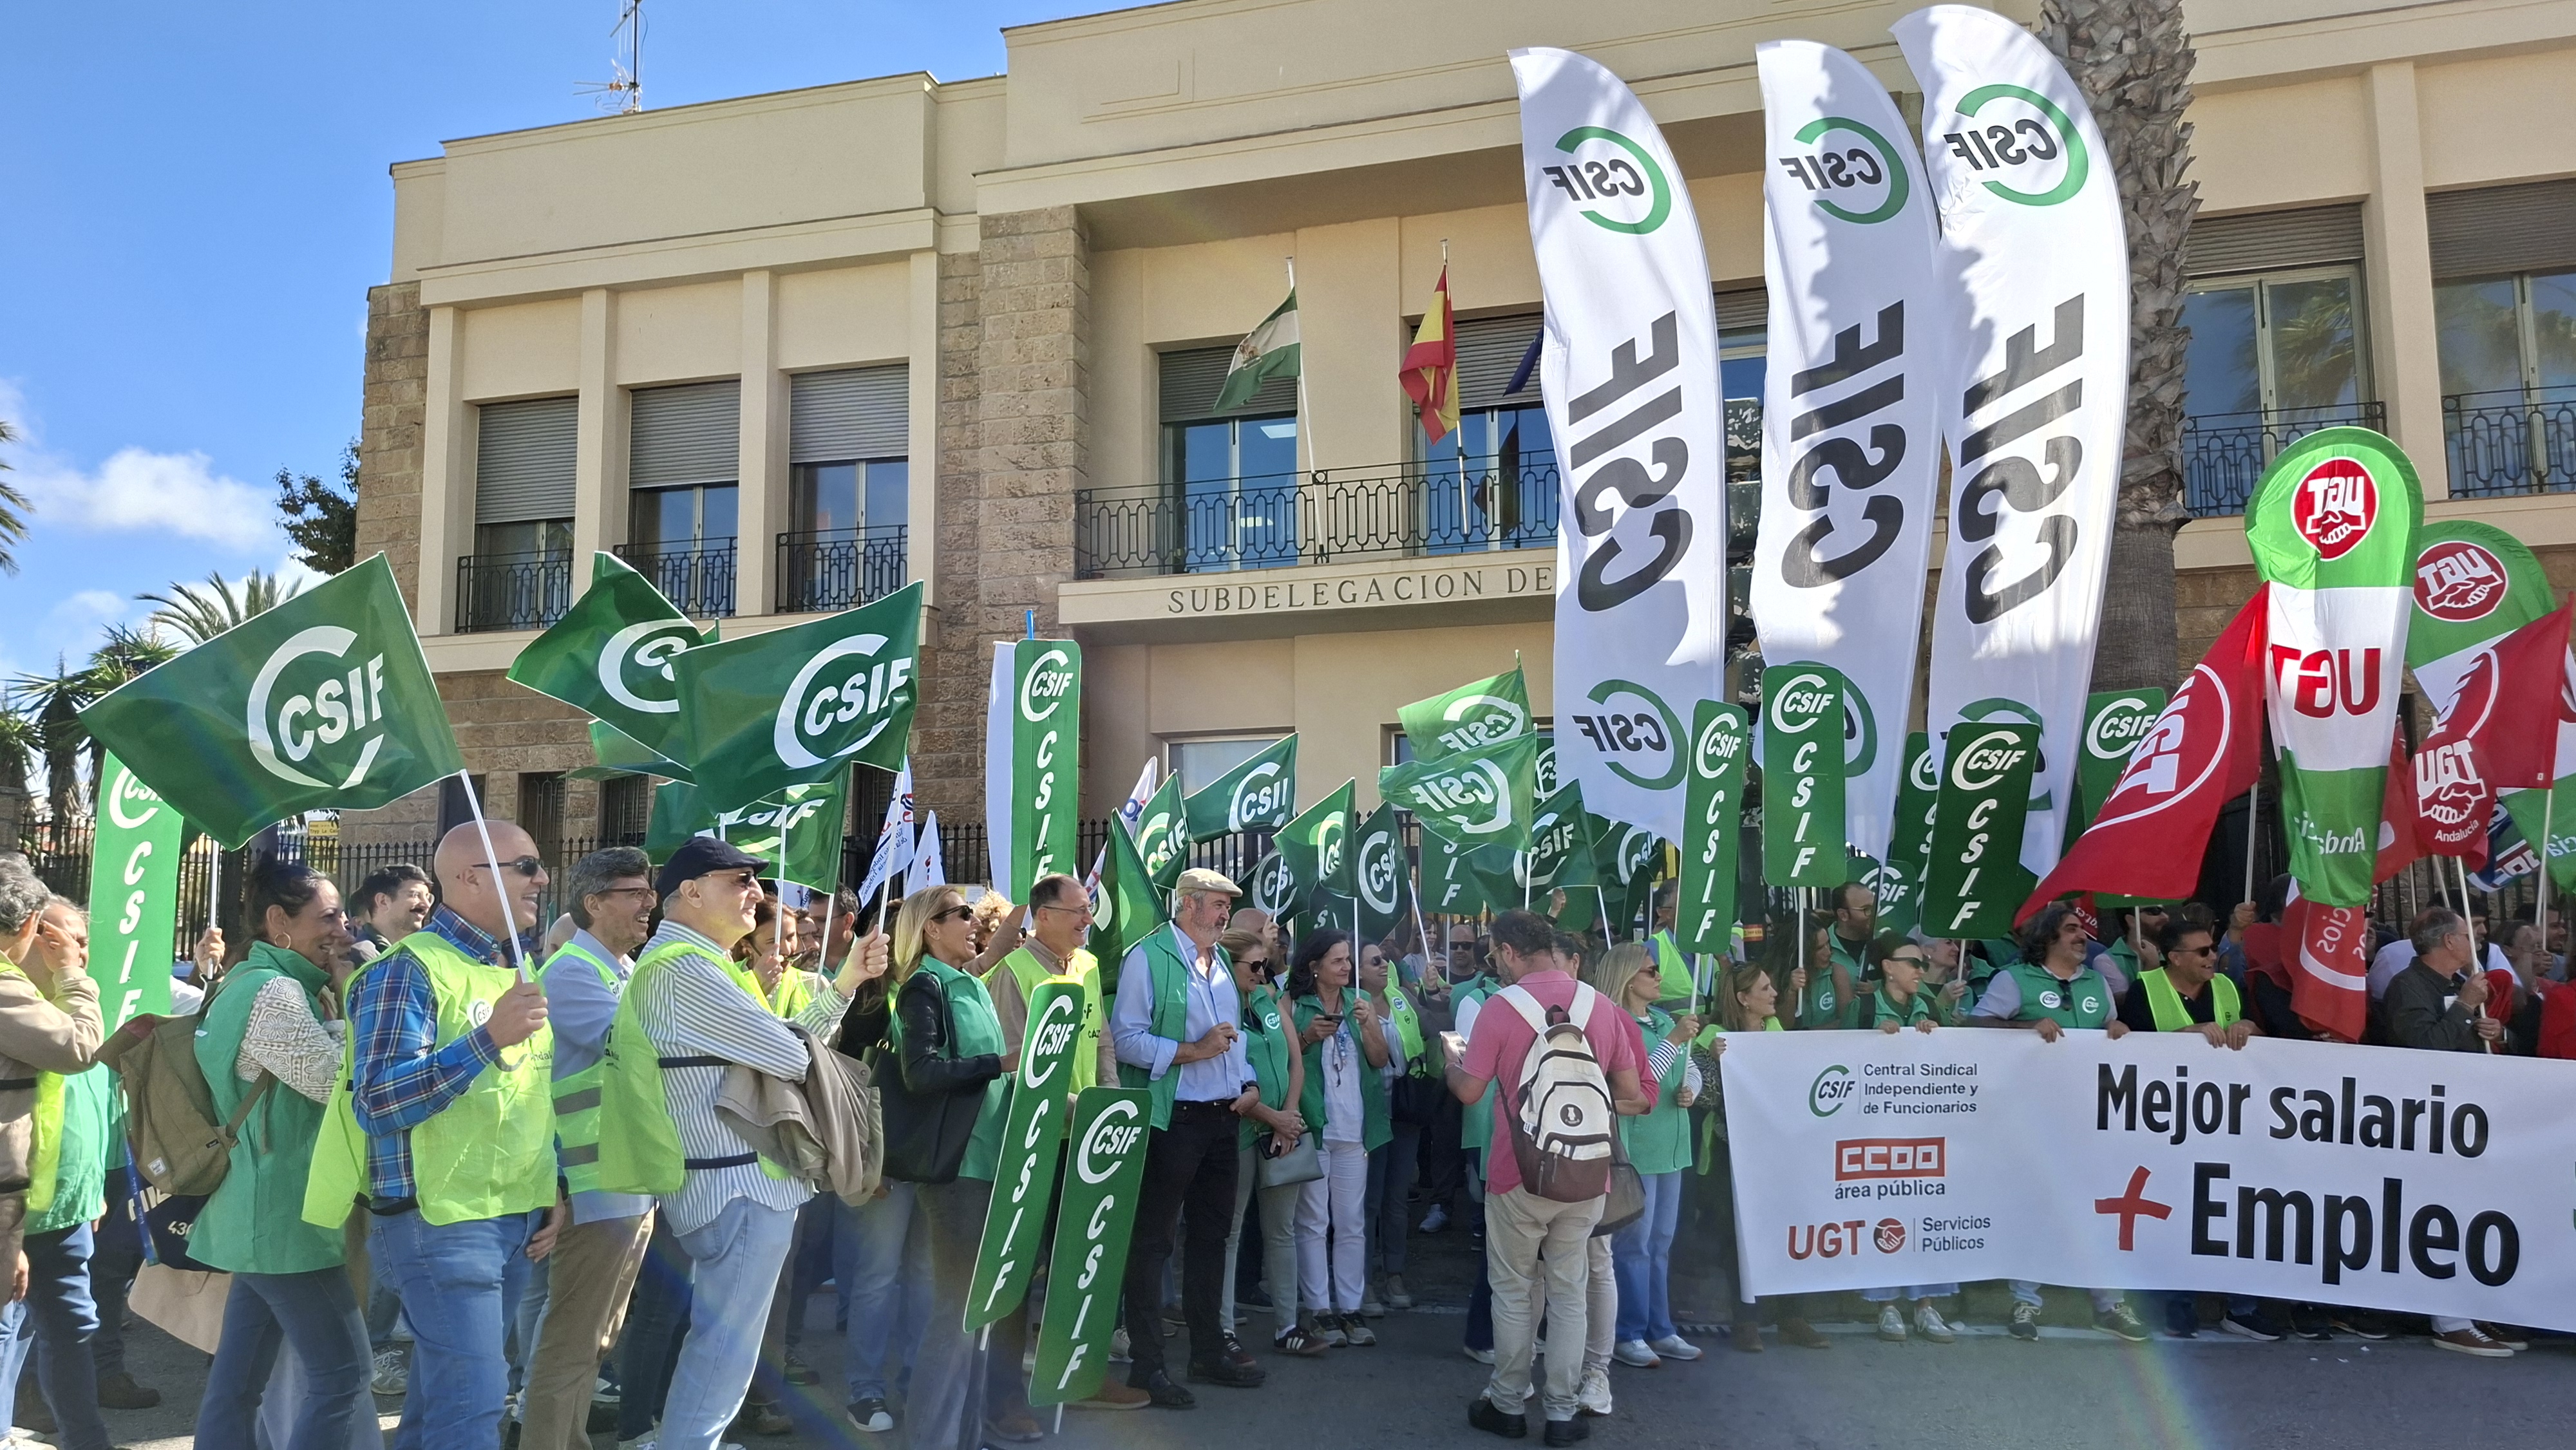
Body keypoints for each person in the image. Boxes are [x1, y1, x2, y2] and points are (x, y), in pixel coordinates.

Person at [303, 822, 559, 1450]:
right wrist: (487, 1038)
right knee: (473, 1409)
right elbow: (377, 1100)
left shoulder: (515, 967)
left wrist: (554, 1185)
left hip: (513, 1215)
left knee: (443, 1404)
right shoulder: (405, 970)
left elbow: (527, 1091)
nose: (543, 878)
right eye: (525, 865)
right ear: (469, 877)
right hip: (440, 1221)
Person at [628, 838, 878, 1450]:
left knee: (723, 1343)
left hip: (733, 1179)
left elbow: (788, 1047)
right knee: (725, 1347)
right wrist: (819, 1016)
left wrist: (845, 983)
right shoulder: (684, 968)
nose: (758, 893)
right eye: (740, 880)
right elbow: (793, 1056)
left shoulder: (695, 962)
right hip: (737, 1182)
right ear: (691, 893)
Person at [1444, 909, 1643, 1447]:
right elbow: (1631, 1092)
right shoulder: (1599, 1005)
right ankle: (1561, 1411)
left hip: (1518, 1170)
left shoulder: (1500, 1007)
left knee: (1513, 1291)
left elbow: (1471, 1092)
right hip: (1588, 1169)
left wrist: (1451, 1063)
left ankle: (1508, 1403)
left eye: (1495, 955)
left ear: (1509, 951)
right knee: (1570, 1291)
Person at [189, 865, 370, 1450]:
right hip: (284, 1216)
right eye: (328, 917)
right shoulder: (275, 991)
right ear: (277, 921)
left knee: (239, 1382)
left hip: (257, 1208)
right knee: (345, 1375)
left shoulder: (246, 980)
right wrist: (352, 1000)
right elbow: (337, 1083)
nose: (342, 929)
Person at [1110, 868, 1268, 1406]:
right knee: (1153, 1242)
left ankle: (1207, 1351)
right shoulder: (1147, 957)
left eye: (1227, 907)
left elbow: (1233, 1039)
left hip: (1222, 1118)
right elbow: (1126, 1039)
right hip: (1172, 1119)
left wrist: (1247, 1081)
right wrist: (1194, 1051)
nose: (1225, 915)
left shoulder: (1220, 961)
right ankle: (1147, 1366)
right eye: (1218, 905)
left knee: (1212, 1237)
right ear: (1188, 904)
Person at [520, 847, 658, 1450]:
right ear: (594, 903)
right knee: (572, 1342)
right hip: (590, 1186)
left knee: (596, 1340)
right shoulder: (573, 972)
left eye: (649, 892)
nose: (648, 904)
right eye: (634, 893)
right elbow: (644, 1054)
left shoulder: (619, 968)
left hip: (623, 1181)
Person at [1967, 903, 2148, 1343]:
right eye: (2071, 929)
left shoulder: (2096, 983)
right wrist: (2028, 1026)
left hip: (2092, 1117)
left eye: (2082, 930)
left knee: (2098, 1208)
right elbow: (1975, 1025)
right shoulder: (2014, 980)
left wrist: (2118, 1029)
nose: (2082, 936)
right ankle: (2025, 1300)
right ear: (2048, 938)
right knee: (2037, 1207)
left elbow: (2108, 1026)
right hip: (2033, 1118)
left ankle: (2109, 1304)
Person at [873, 882, 1012, 1450]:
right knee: (956, 1313)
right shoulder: (923, 987)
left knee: (979, 1312)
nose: (975, 922)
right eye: (963, 913)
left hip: (993, 1160)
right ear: (931, 927)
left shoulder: (968, 983)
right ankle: (932, 1439)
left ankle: (967, 1437)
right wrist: (999, 1062)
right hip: (957, 1167)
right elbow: (920, 1073)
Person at [0, 897, 117, 1450]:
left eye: (81, 943)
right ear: (28, 936)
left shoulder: (81, 1005)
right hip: (13, 1214)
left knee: (73, 1330)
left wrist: (93, 1190)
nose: (75, 954)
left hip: (66, 1209)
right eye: (59, 940)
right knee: (6, 1335)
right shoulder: (21, 1007)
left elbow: (93, 1110)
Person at [2381, 909, 2522, 1355]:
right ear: (2447, 942)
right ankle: (2449, 1320)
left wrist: (2497, 1033)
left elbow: (2475, 1042)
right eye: (2467, 933)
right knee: (2440, 1216)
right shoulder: (2409, 986)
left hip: (2466, 1118)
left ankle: (2470, 1311)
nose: (2476, 939)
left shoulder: (2456, 985)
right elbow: (2423, 1047)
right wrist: (2463, 1006)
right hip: (2429, 1121)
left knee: (2469, 1213)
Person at [828, 893, 929, 1438]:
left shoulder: (941, 989)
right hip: (884, 1165)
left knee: (925, 1278)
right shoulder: (864, 1006)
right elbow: (842, 1087)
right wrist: (865, 1162)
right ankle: (864, 1390)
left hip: (934, 1162)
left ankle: (917, 1381)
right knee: (877, 1277)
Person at [1588, 942, 1699, 1371]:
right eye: (1651, 971)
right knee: (1634, 1245)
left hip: (1672, 1145)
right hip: (1636, 1149)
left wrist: (1692, 1088)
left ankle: (1660, 1327)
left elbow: (1688, 1066)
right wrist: (1674, 1041)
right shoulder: (1616, 1022)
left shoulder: (1665, 1019)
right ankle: (1627, 1333)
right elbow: (1638, 1080)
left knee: (1661, 1242)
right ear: (1629, 978)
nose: (1659, 978)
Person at [1848, 934, 1960, 1344]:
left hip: (1923, 1130)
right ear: (1888, 967)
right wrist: (1870, 1041)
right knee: (1884, 1212)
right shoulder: (1863, 1007)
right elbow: (1835, 1058)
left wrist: (1937, 1034)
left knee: (1926, 1211)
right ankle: (1886, 1306)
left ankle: (1926, 1306)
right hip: (1876, 1133)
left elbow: (1954, 1059)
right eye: (1912, 963)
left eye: (1922, 963)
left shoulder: (1929, 1004)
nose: (1920, 969)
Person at [1287, 929, 1394, 1348]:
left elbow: (1380, 1059)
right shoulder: (1294, 1005)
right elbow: (1280, 1058)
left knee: (1352, 1222)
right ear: (1314, 967)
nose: (1347, 967)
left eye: (1348, 959)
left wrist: (1369, 1026)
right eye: (1338, 960)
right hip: (1315, 1126)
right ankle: (1319, 1309)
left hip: (1355, 1129)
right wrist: (1307, 1037)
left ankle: (1350, 1307)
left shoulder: (1359, 1003)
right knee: (1313, 1221)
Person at [1216, 925, 1315, 1355]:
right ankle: (1223, 1331)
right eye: (1255, 966)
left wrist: (1288, 1117)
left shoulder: (1268, 999)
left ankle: (1287, 1327)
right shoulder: (1216, 1006)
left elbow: (1296, 1061)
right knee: (1230, 1232)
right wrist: (1274, 1118)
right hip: (1237, 1133)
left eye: (1266, 965)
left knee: (1282, 1230)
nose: (1262, 973)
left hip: (1281, 1134)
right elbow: (1227, 1078)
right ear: (1229, 964)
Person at [1357, 937, 1428, 1314]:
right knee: (1368, 1201)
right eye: (1374, 961)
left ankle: (1395, 1274)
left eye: (1384, 959)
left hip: (1404, 1112)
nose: (1384, 965)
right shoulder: (1351, 1006)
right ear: (1357, 972)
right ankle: (1363, 1281)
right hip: (1367, 1115)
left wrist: (1434, 995)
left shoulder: (1401, 998)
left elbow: (1430, 1030)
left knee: (1397, 1199)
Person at [348, 865, 434, 965]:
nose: (427, 905)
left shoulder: (424, 951)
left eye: (428, 897)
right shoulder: (363, 954)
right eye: (415, 895)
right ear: (383, 901)